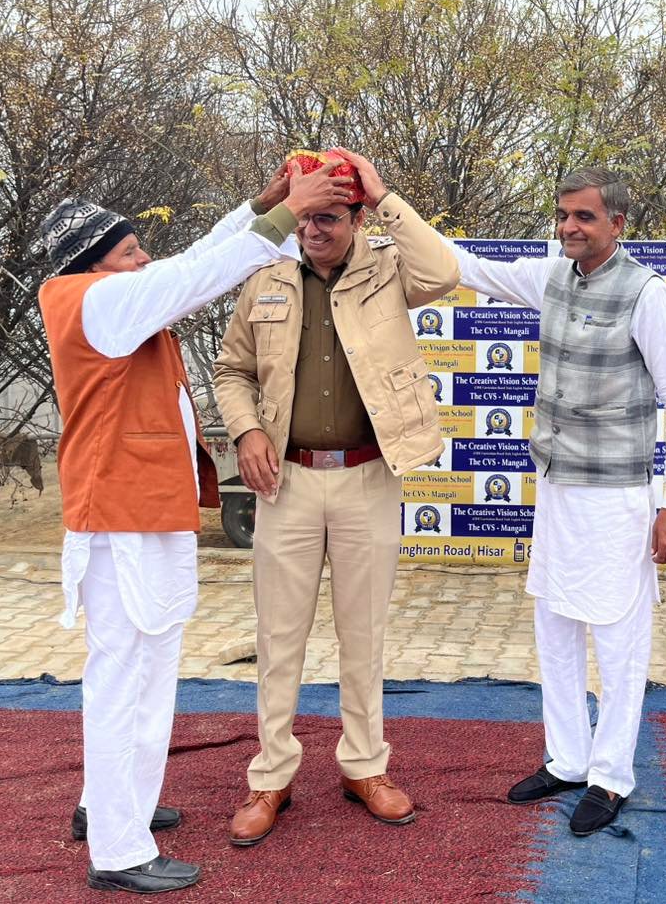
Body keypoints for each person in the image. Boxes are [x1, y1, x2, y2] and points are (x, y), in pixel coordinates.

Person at [38, 158, 356, 894]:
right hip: (123, 518)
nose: (144, 258)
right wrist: (285, 215)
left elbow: (189, 262)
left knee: (145, 668)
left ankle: (113, 803)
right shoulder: (97, 300)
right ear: (95, 263)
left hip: (140, 512)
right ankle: (119, 849)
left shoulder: (107, 294)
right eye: (129, 251)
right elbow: (194, 275)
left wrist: (262, 206)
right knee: (126, 675)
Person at [440, 167, 666, 836]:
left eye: (584, 216)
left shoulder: (646, 291)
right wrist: (385, 203)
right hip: (555, 487)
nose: (569, 227)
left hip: (617, 497)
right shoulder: (551, 275)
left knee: (617, 640)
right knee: (554, 626)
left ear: (617, 222)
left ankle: (611, 776)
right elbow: (467, 265)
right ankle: (567, 758)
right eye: (562, 215)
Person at [213, 148, 458, 845]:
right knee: (278, 636)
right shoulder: (264, 274)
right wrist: (247, 430)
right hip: (285, 481)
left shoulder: (387, 268)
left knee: (364, 632)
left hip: (368, 476)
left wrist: (382, 192)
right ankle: (271, 776)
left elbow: (443, 271)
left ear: (356, 218)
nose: (312, 229)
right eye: (303, 215)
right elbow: (231, 370)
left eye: (328, 216)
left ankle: (364, 766)